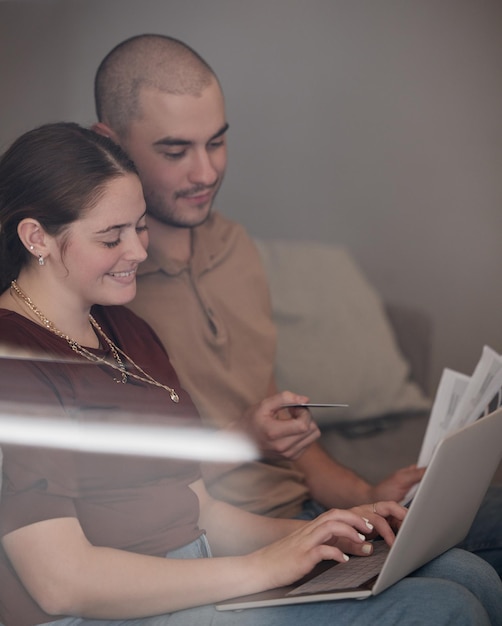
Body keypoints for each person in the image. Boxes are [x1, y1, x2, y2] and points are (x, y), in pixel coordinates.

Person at [1, 122, 501, 626]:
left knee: (467, 573)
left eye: (140, 226)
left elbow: (202, 515)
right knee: (446, 606)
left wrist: (328, 531)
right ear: (36, 237)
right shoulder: (14, 364)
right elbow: (61, 583)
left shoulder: (126, 329)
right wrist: (262, 567)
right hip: (128, 607)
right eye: (112, 237)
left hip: (207, 573)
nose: (138, 251)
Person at [93, 33, 502, 572]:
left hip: (305, 508)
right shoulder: (105, 289)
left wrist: (366, 491)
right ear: (112, 144)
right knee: (462, 582)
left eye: (216, 142)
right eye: (176, 151)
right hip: (228, 536)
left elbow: (287, 433)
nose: (207, 172)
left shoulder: (236, 248)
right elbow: (120, 488)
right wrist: (242, 440)